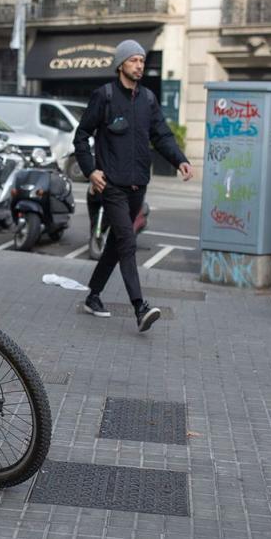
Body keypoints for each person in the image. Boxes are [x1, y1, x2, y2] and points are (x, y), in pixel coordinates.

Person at [73, 39, 193, 331]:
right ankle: (140, 308)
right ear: (121, 65)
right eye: (133, 60)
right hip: (111, 185)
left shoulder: (148, 100)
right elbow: (81, 136)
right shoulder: (105, 96)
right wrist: (91, 171)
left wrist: (179, 160)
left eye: (141, 60)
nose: (139, 65)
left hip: (139, 184)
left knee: (116, 244)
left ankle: (93, 295)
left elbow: (162, 135)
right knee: (127, 240)